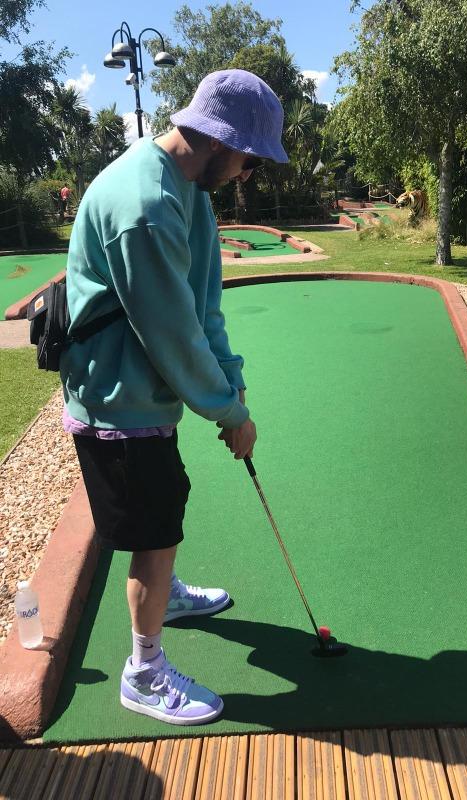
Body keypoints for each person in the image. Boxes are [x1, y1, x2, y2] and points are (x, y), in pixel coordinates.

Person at [60, 69, 289, 726]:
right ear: (218, 140)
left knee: (168, 503)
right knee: (153, 532)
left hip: (144, 393)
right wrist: (230, 413)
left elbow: (204, 307)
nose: (246, 173)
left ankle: (170, 597)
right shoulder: (144, 206)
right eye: (248, 158)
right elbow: (172, 335)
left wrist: (232, 379)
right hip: (114, 402)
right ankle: (144, 673)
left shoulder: (188, 190)